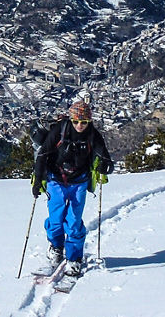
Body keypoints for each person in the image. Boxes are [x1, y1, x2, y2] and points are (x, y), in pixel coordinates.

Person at [32, 101, 113, 277]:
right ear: (71, 118)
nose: (79, 125)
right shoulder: (60, 130)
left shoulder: (92, 134)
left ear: (89, 122)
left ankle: (74, 258)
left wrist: (105, 167)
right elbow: (43, 154)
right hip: (56, 180)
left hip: (79, 182)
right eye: (76, 121)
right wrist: (38, 179)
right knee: (56, 218)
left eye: (84, 122)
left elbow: (104, 156)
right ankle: (56, 247)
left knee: (74, 220)